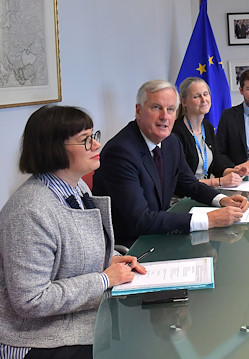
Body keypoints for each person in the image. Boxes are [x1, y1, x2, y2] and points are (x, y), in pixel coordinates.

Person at [0, 106, 147, 359]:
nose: (97, 144)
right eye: (86, 140)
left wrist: (111, 259)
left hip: (75, 318)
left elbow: (78, 248)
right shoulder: (30, 211)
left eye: (94, 135)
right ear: (53, 148)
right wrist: (105, 280)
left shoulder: (77, 187)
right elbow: (31, 300)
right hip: (37, 339)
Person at [93, 80, 249, 248]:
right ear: (138, 111)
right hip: (133, 247)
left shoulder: (170, 142)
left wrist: (222, 200)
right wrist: (209, 219)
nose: (164, 117)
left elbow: (189, 184)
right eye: (156, 108)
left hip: (159, 235)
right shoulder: (121, 152)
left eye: (170, 110)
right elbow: (140, 220)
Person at [172, 77, 249, 189]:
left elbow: (216, 165)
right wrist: (219, 181)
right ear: (184, 101)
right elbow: (181, 180)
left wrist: (235, 172)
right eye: (197, 96)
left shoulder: (207, 126)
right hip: (183, 197)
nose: (203, 99)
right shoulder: (176, 132)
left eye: (205, 94)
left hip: (204, 192)